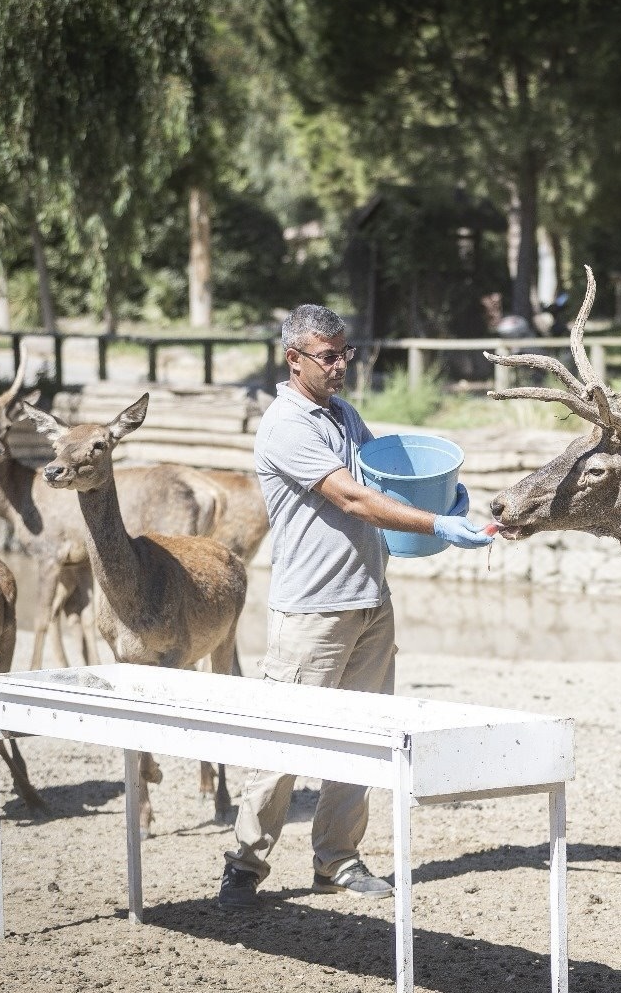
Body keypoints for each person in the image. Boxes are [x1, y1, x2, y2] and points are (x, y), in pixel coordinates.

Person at [217, 303, 494, 910]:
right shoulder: (287, 425)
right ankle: (244, 862)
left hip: (370, 600)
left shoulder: (343, 414)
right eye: (329, 356)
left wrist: (444, 497)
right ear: (294, 360)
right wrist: (437, 524)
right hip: (311, 611)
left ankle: (336, 860)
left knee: (362, 740)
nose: (342, 365)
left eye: (346, 352)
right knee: (283, 739)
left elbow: (382, 480)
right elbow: (353, 498)